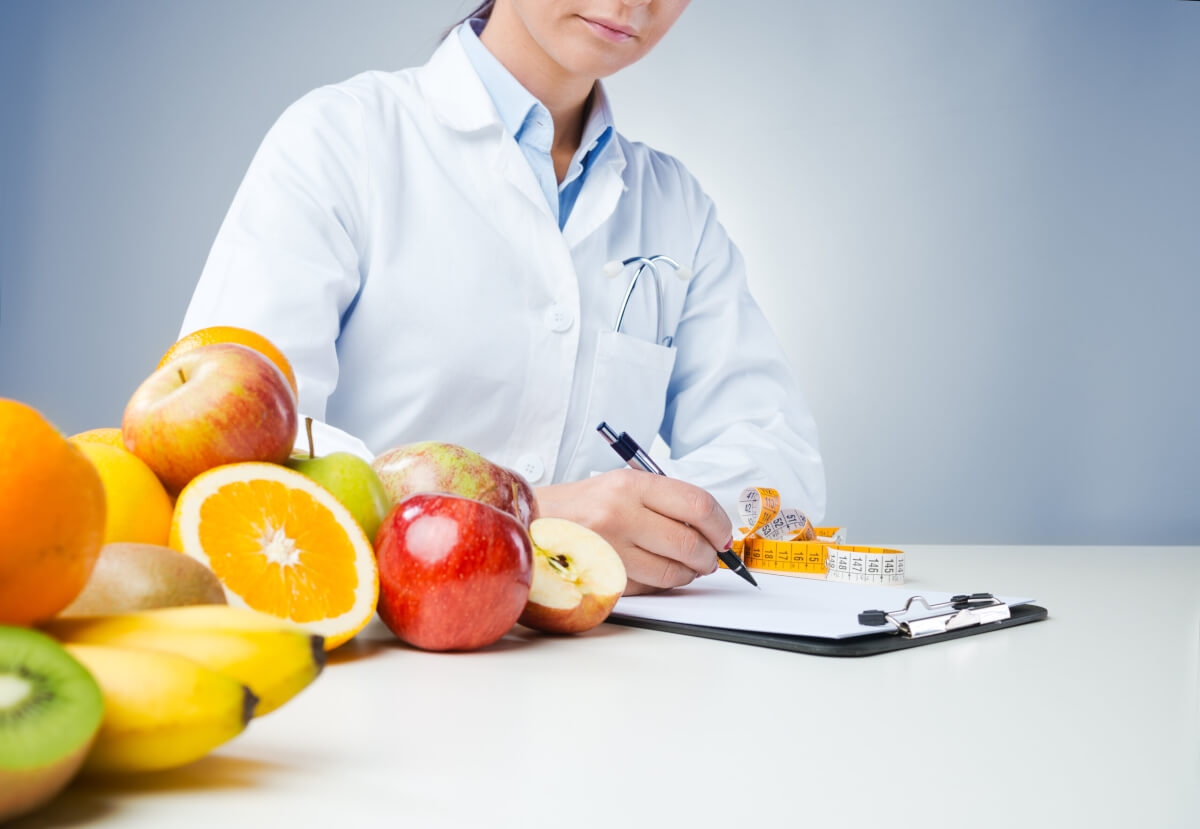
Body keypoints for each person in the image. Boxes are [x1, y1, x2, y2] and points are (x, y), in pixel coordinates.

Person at [179, 0, 825, 595]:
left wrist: (654, 524)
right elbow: (232, 456)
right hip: (372, 651)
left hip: (603, 673)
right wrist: (531, 515)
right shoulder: (339, 142)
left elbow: (780, 459)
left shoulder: (675, 206)